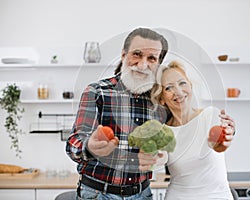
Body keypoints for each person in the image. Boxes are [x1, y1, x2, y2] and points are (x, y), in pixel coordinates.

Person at [66, 27, 169, 200]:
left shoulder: (159, 99)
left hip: (142, 194)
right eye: (136, 54)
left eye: (151, 58)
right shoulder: (97, 92)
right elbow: (73, 144)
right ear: (123, 55)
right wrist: (90, 146)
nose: (143, 64)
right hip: (98, 194)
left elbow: (189, 123)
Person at [147, 60, 235, 199]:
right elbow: (160, 159)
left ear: (190, 86)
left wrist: (224, 141)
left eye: (182, 83)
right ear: (162, 98)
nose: (178, 91)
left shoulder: (210, 115)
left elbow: (218, 145)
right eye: (169, 88)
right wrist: (152, 157)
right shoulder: (163, 131)